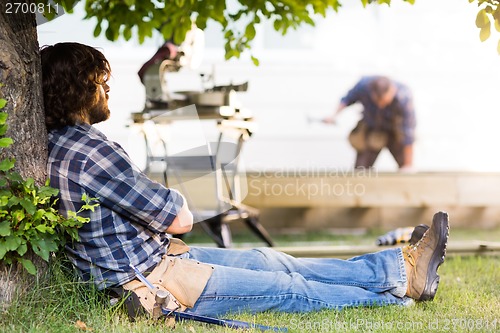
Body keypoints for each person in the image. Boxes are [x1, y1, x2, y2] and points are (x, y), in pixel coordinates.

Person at [41, 43, 449, 320]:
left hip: (159, 259)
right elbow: (180, 218)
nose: (107, 88)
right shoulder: (90, 151)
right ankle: (393, 302)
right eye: (100, 81)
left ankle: (398, 269)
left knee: (273, 261)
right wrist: (170, 196)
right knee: (287, 289)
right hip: (153, 280)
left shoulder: (63, 143)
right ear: (79, 90)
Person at [324, 76, 416, 171]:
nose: (381, 105)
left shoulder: (404, 96)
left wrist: (408, 165)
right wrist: (334, 115)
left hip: (395, 132)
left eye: (384, 101)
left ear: (392, 91)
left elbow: (408, 132)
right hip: (372, 129)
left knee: (406, 168)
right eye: (377, 101)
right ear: (371, 93)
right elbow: (347, 100)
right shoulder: (363, 86)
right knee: (360, 170)